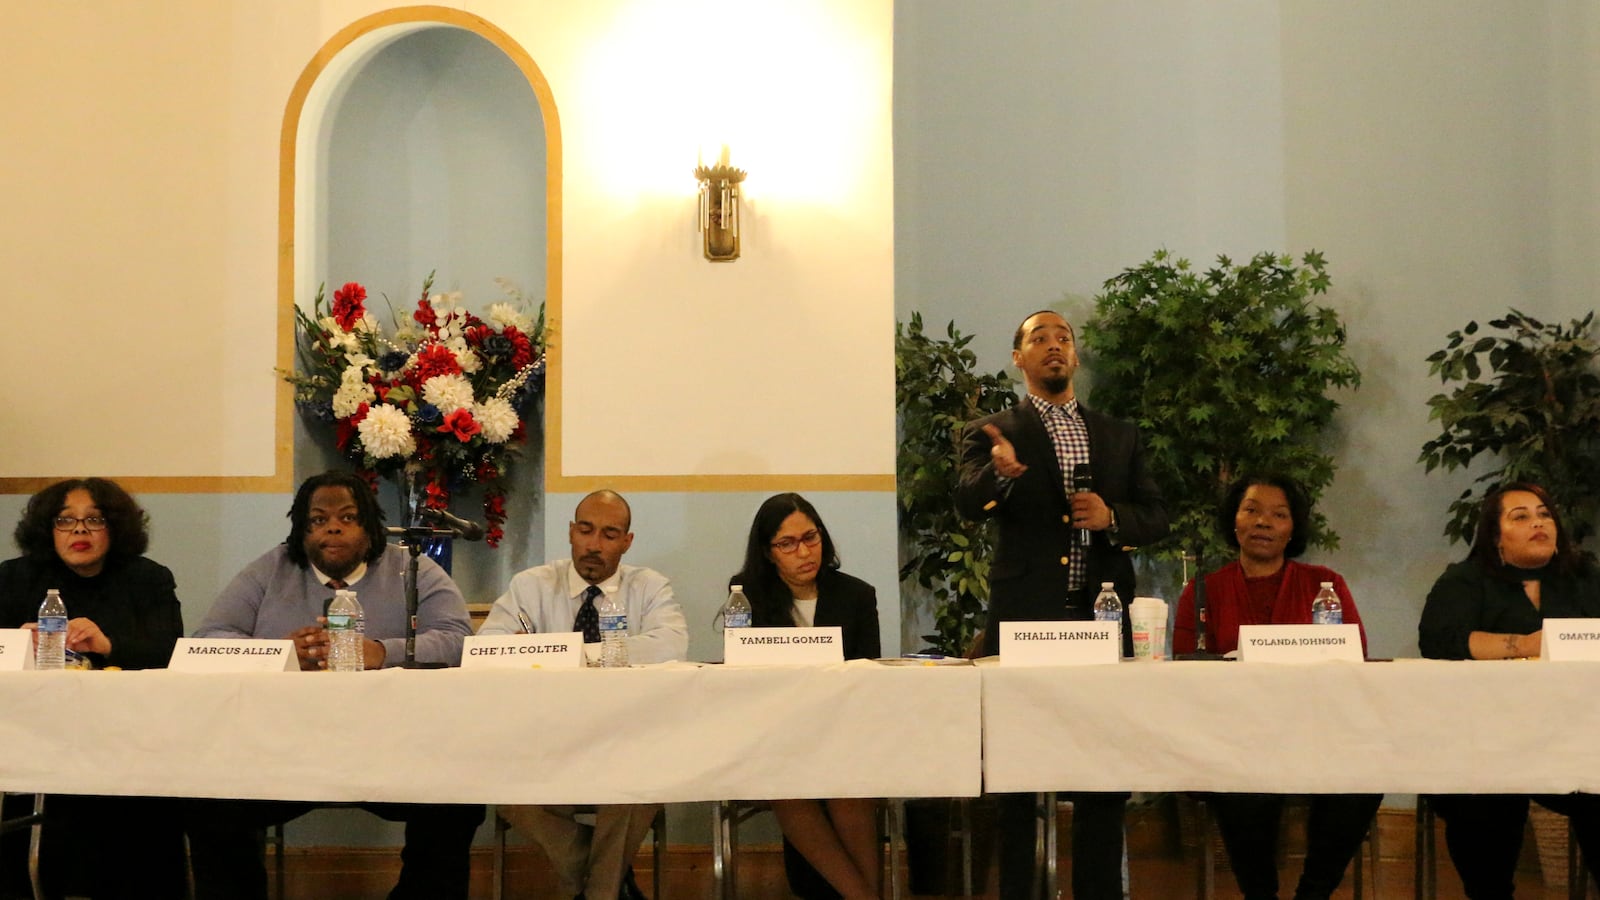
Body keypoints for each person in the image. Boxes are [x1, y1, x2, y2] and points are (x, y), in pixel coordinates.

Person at [187, 470, 481, 900]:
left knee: (458, 799)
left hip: (393, 750)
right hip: (281, 753)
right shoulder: (270, 570)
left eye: (348, 517)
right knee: (207, 803)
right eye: (318, 519)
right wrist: (278, 654)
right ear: (300, 529)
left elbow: (458, 639)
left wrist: (381, 653)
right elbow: (208, 639)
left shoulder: (410, 568)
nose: (333, 528)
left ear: (370, 526)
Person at [956, 309, 1169, 900]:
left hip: (1101, 622)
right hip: (1024, 621)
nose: (1053, 346)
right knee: (1017, 778)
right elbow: (966, 504)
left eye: (1063, 339)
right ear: (1019, 359)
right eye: (1037, 339)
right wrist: (998, 478)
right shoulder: (995, 430)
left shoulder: (1119, 434)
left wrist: (1112, 518)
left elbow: (1156, 515)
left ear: (1075, 358)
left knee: (1104, 773)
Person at [1172, 474, 1380, 900]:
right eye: (1252, 510)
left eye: (1278, 514)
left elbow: (1353, 658)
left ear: (1293, 528)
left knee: (1364, 780)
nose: (1263, 522)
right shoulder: (1202, 592)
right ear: (1234, 522)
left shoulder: (1326, 585)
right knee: (1243, 786)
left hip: (1317, 734)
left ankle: (1313, 893)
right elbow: (1185, 675)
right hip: (1236, 740)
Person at [479, 489, 687, 900]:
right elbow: (488, 649)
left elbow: (672, 644)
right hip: (544, 741)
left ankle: (590, 892)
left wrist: (570, 653)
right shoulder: (531, 586)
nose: (594, 545)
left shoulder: (648, 587)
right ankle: (605, 882)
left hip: (623, 740)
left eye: (610, 534)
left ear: (627, 542)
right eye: (586, 531)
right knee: (498, 784)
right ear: (571, 532)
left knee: (641, 784)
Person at [0, 477, 187, 898]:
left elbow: (171, 650)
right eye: (66, 521)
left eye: (94, 520)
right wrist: (15, 642)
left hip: (128, 738)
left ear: (116, 527)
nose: (79, 532)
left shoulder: (148, 578)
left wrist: (108, 644)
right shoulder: (13, 578)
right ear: (47, 529)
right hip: (32, 737)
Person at [1419, 481, 1600, 897]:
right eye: (1521, 517)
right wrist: (1529, 644)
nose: (1538, 522)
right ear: (1495, 536)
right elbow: (1441, 641)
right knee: (1486, 801)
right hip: (1484, 740)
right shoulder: (1464, 581)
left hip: (1575, 739)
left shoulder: (1584, 578)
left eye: (1544, 514)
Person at [726, 492, 882, 900]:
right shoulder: (746, 596)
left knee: (850, 783)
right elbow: (743, 674)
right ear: (768, 552)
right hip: (777, 732)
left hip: (842, 728)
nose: (804, 551)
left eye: (810, 538)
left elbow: (869, 675)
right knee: (787, 780)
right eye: (787, 543)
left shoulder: (857, 595)